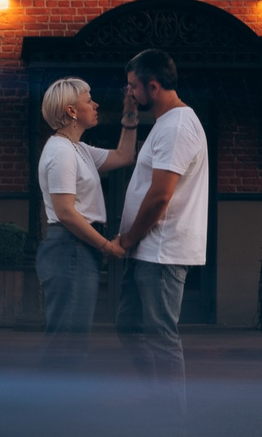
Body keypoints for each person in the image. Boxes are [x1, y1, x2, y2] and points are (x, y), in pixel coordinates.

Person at [112, 48, 210, 416]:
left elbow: (159, 197)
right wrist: (130, 113)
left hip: (161, 252)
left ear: (153, 86)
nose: (129, 93)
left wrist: (128, 239)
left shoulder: (178, 127)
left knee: (161, 337)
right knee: (129, 327)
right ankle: (157, 400)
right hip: (147, 252)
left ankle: (172, 425)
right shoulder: (165, 124)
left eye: (133, 88)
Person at [34, 77, 137, 364]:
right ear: (71, 111)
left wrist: (130, 114)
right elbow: (65, 212)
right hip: (70, 249)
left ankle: (56, 403)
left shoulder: (78, 149)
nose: (96, 104)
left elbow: (124, 155)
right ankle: (52, 404)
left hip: (76, 250)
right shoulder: (61, 152)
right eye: (88, 99)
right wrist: (107, 246)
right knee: (67, 339)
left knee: (70, 337)